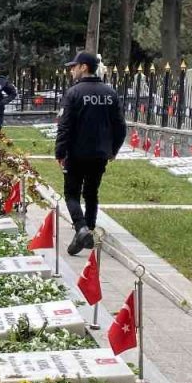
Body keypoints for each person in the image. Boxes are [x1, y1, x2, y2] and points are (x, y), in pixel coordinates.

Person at [55, 51, 127, 255]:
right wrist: (114, 149)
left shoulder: (74, 93)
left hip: (76, 153)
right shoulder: (110, 92)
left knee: (71, 193)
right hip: (100, 153)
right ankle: (90, 230)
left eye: (74, 67)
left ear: (84, 67)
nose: (71, 71)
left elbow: (65, 126)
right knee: (91, 193)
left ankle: (81, 229)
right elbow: (120, 126)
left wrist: (60, 152)